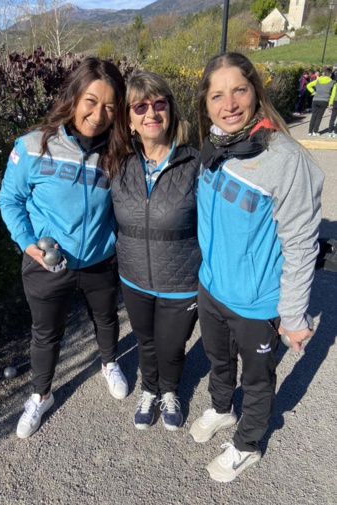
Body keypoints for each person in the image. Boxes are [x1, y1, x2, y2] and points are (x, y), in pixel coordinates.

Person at [190, 52, 324, 482]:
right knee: (217, 360)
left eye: (239, 90)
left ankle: (248, 444)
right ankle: (221, 407)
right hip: (211, 287)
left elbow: (302, 242)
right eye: (217, 95)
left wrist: (293, 316)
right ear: (206, 104)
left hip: (256, 301)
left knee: (260, 380)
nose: (229, 104)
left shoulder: (285, 158)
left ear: (256, 93)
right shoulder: (215, 143)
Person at [0, 57, 130, 439]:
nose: (98, 113)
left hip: (100, 259)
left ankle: (108, 363)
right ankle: (41, 395)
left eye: (109, 105)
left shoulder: (119, 150)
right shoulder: (33, 145)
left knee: (105, 320)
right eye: (91, 100)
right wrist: (26, 243)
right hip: (47, 261)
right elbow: (10, 200)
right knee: (46, 333)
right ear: (74, 97)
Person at [111, 71, 201, 431]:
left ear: (170, 110)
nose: (151, 112)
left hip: (182, 281)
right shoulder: (119, 164)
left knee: (172, 345)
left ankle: (169, 390)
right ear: (130, 120)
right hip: (133, 278)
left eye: (159, 103)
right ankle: (149, 389)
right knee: (146, 342)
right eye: (141, 106)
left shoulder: (196, 163)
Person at [306, 67, 335, 136]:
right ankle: (315, 131)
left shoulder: (318, 80)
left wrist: (313, 92)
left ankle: (310, 131)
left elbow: (308, 85)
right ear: (330, 74)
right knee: (319, 116)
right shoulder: (333, 83)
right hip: (324, 100)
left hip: (315, 99)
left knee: (313, 115)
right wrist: (330, 103)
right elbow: (333, 94)